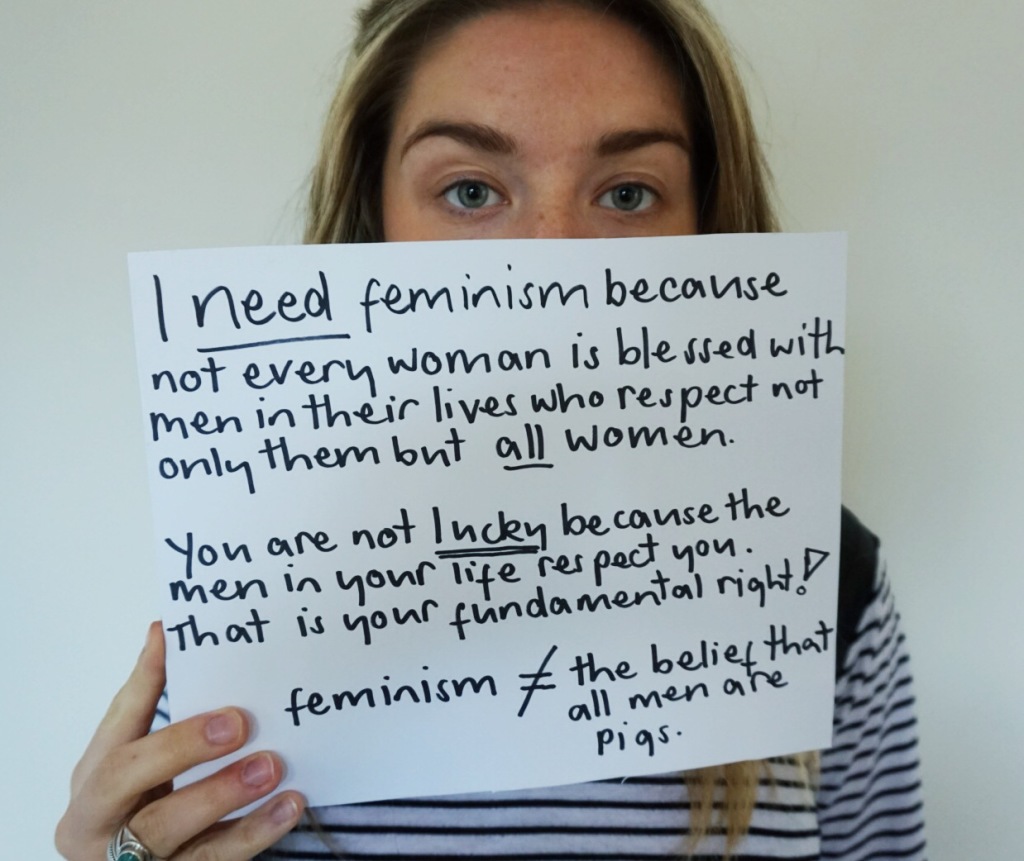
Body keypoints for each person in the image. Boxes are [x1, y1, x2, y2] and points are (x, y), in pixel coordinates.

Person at [56, 1, 927, 859]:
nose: (554, 262)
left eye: (628, 194)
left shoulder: (824, 581)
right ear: (375, 223)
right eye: (470, 191)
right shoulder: (251, 590)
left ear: (707, 224)